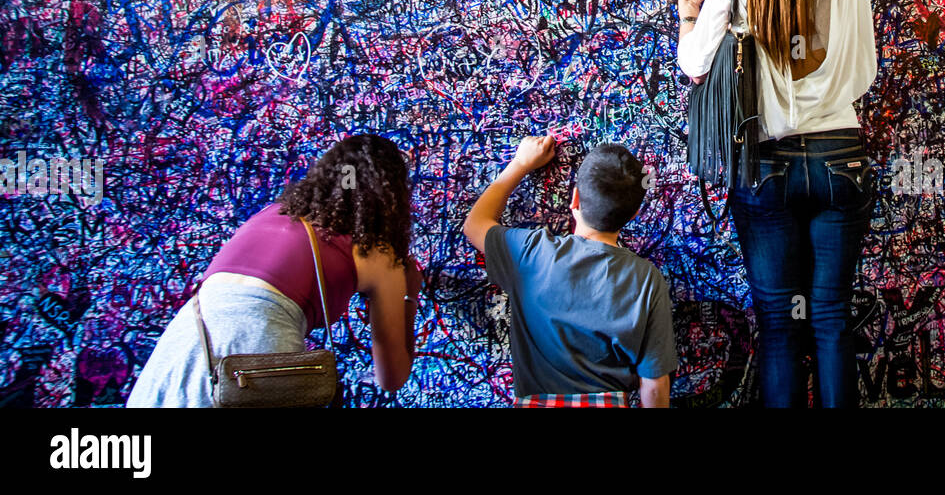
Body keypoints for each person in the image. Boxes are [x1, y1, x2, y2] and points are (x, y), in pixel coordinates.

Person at [675, 0, 879, 408]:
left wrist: (686, 15)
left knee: (779, 325)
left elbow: (695, 66)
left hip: (764, 169)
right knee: (830, 318)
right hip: (839, 157)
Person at [127, 133, 422, 406]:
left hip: (182, 348)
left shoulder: (271, 214)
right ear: (389, 197)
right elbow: (392, 377)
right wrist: (409, 295)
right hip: (257, 356)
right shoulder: (377, 254)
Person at [463, 134, 677, 407]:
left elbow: (475, 224)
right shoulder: (646, 279)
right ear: (634, 215)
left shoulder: (531, 252)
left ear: (574, 199)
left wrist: (520, 163)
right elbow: (655, 388)